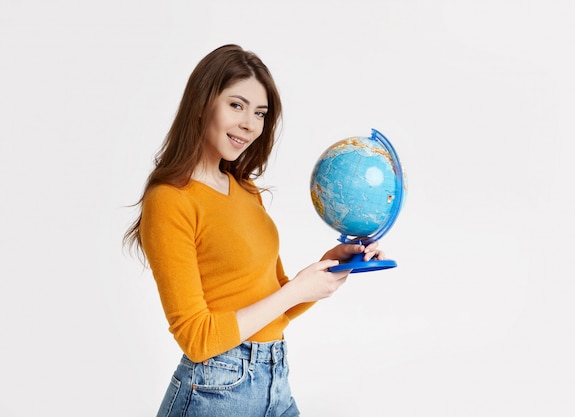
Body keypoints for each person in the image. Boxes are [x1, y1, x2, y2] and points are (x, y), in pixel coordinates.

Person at [123, 44, 385, 417]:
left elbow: (274, 305)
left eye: (260, 113)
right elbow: (197, 339)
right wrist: (295, 289)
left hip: (275, 380)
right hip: (214, 391)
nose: (250, 123)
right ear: (202, 103)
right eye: (236, 105)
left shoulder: (245, 191)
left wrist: (330, 265)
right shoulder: (170, 199)